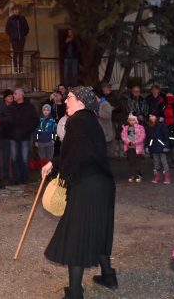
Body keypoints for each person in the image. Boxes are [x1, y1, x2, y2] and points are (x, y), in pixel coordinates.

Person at [41, 86, 117, 299]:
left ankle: (74, 292)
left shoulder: (76, 121)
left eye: (70, 98)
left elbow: (72, 156)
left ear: (81, 102)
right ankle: (109, 276)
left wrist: (54, 167)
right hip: (103, 184)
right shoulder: (92, 121)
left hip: (86, 185)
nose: (66, 101)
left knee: (77, 234)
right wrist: (54, 163)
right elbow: (80, 152)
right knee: (99, 228)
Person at [9, 88, 39, 184]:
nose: (13, 95)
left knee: (24, 159)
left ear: (21, 96)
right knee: (14, 159)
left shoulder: (29, 107)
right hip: (13, 137)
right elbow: (6, 121)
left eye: (15, 94)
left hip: (25, 137)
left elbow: (35, 121)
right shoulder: (11, 107)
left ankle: (25, 178)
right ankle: (15, 179)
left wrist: (28, 131)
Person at [145, 112, 171, 185]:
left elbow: (166, 136)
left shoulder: (162, 125)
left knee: (163, 161)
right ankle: (157, 176)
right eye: (150, 116)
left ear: (156, 116)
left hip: (161, 145)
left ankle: (167, 177)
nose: (151, 117)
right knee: (156, 161)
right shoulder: (148, 126)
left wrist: (166, 146)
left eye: (153, 116)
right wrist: (147, 146)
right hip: (153, 145)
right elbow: (148, 137)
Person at [121, 114, 146, 183]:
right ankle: (132, 175)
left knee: (137, 162)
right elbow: (123, 136)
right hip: (129, 147)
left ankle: (138, 175)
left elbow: (142, 136)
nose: (132, 121)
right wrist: (128, 142)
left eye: (133, 120)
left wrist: (136, 142)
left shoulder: (140, 127)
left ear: (136, 120)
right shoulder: (126, 128)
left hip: (138, 147)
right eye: (130, 120)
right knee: (131, 161)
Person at [5, 5, 30, 73]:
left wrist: (24, 34)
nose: (16, 11)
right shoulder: (10, 19)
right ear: (13, 11)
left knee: (21, 53)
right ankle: (16, 69)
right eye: (15, 10)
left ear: (19, 10)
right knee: (15, 53)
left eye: (17, 10)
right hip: (14, 39)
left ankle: (21, 69)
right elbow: (7, 29)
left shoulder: (22, 18)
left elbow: (26, 27)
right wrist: (11, 35)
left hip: (21, 38)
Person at [1, 89, 15, 184]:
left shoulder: (15, 107)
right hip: (4, 136)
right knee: (5, 158)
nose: (11, 98)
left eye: (12, 96)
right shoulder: (0, 107)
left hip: (14, 136)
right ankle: (5, 178)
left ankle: (15, 177)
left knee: (14, 158)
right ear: (5, 98)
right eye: (9, 96)